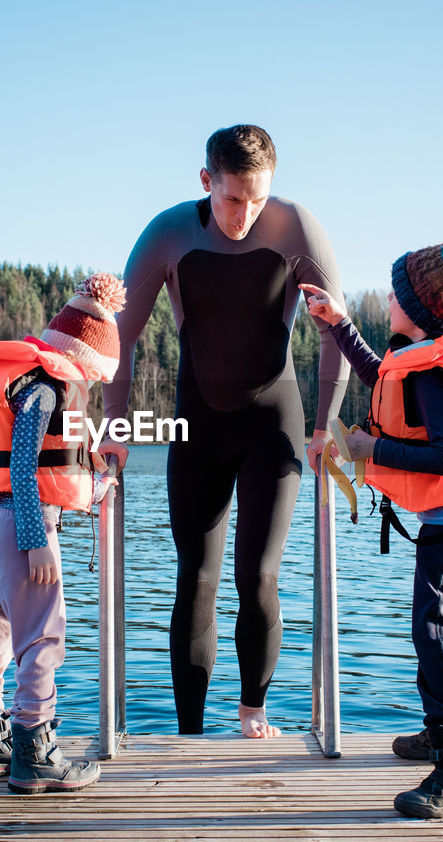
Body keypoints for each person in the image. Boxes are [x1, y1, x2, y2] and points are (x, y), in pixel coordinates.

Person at [98, 125, 349, 738]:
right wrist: (114, 428)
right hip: (196, 423)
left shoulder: (298, 228)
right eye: (233, 199)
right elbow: (119, 339)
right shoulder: (167, 233)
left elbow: (336, 333)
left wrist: (324, 427)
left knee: (259, 574)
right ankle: (189, 733)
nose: (245, 215)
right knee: (197, 576)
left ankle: (253, 714)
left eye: (258, 200)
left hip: (275, 421)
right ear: (206, 181)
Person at [300, 241, 443, 818]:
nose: (389, 297)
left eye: (397, 291)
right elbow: (379, 373)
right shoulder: (419, 358)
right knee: (431, 630)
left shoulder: (430, 375)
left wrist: (373, 447)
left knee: (436, 635)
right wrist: (338, 322)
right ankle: (441, 734)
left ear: (419, 309)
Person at [0, 272, 126, 794]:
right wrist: (36, 539)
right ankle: (35, 750)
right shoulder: (46, 392)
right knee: (43, 637)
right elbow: (32, 464)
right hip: (25, 525)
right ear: (86, 358)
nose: (94, 388)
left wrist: (100, 482)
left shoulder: (29, 380)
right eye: (96, 378)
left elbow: (39, 468)